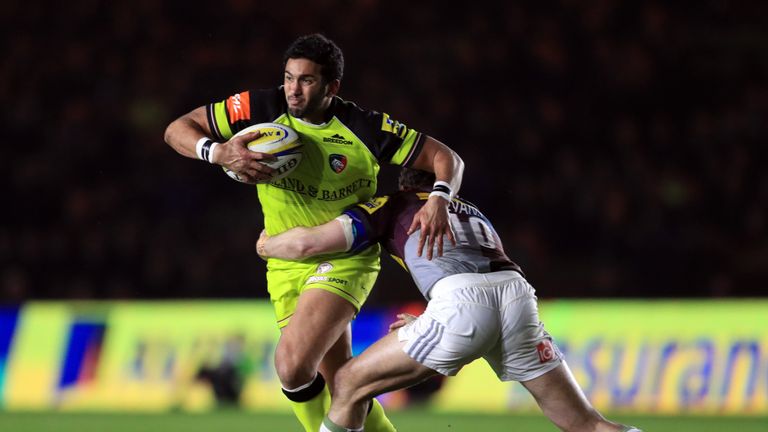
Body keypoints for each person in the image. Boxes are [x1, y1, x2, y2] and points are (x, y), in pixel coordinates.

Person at [164, 34, 463, 432]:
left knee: (291, 366)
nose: (293, 89)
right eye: (288, 78)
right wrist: (216, 152)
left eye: (306, 80)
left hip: (345, 256)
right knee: (341, 383)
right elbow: (177, 129)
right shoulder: (260, 108)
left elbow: (446, 157)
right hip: (284, 260)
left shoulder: (365, 127)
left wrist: (439, 198)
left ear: (331, 87)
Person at [257, 168, 643, 432]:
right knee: (586, 423)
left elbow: (309, 243)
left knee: (346, 383)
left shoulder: (395, 204)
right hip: (518, 298)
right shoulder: (472, 211)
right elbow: (470, 275)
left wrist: (268, 244)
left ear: (406, 184)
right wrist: (430, 324)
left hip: (461, 305)